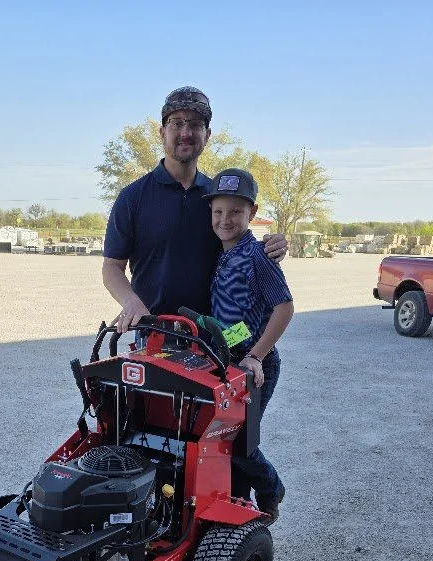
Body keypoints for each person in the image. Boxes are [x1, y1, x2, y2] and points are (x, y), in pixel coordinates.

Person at [102, 86, 287, 335]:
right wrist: (131, 301)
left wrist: (272, 246)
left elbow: (242, 247)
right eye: (176, 123)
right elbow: (112, 267)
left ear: (207, 134)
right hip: (155, 333)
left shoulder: (219, 197)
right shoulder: (132, 197)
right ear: (162, 132)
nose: (186, 133)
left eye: (196, 124)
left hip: (213, 338)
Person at [206, 167, 294, 523]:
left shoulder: (258, 257)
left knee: (238, 441)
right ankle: (238, 508)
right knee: (224, 441)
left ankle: (271, 489)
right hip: (227, 360)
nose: (225, 220)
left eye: (235, 213)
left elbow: (284, 308)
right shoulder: (224, 252)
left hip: (256, 366)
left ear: (252, 214)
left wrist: (255, 356)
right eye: (218, 212)